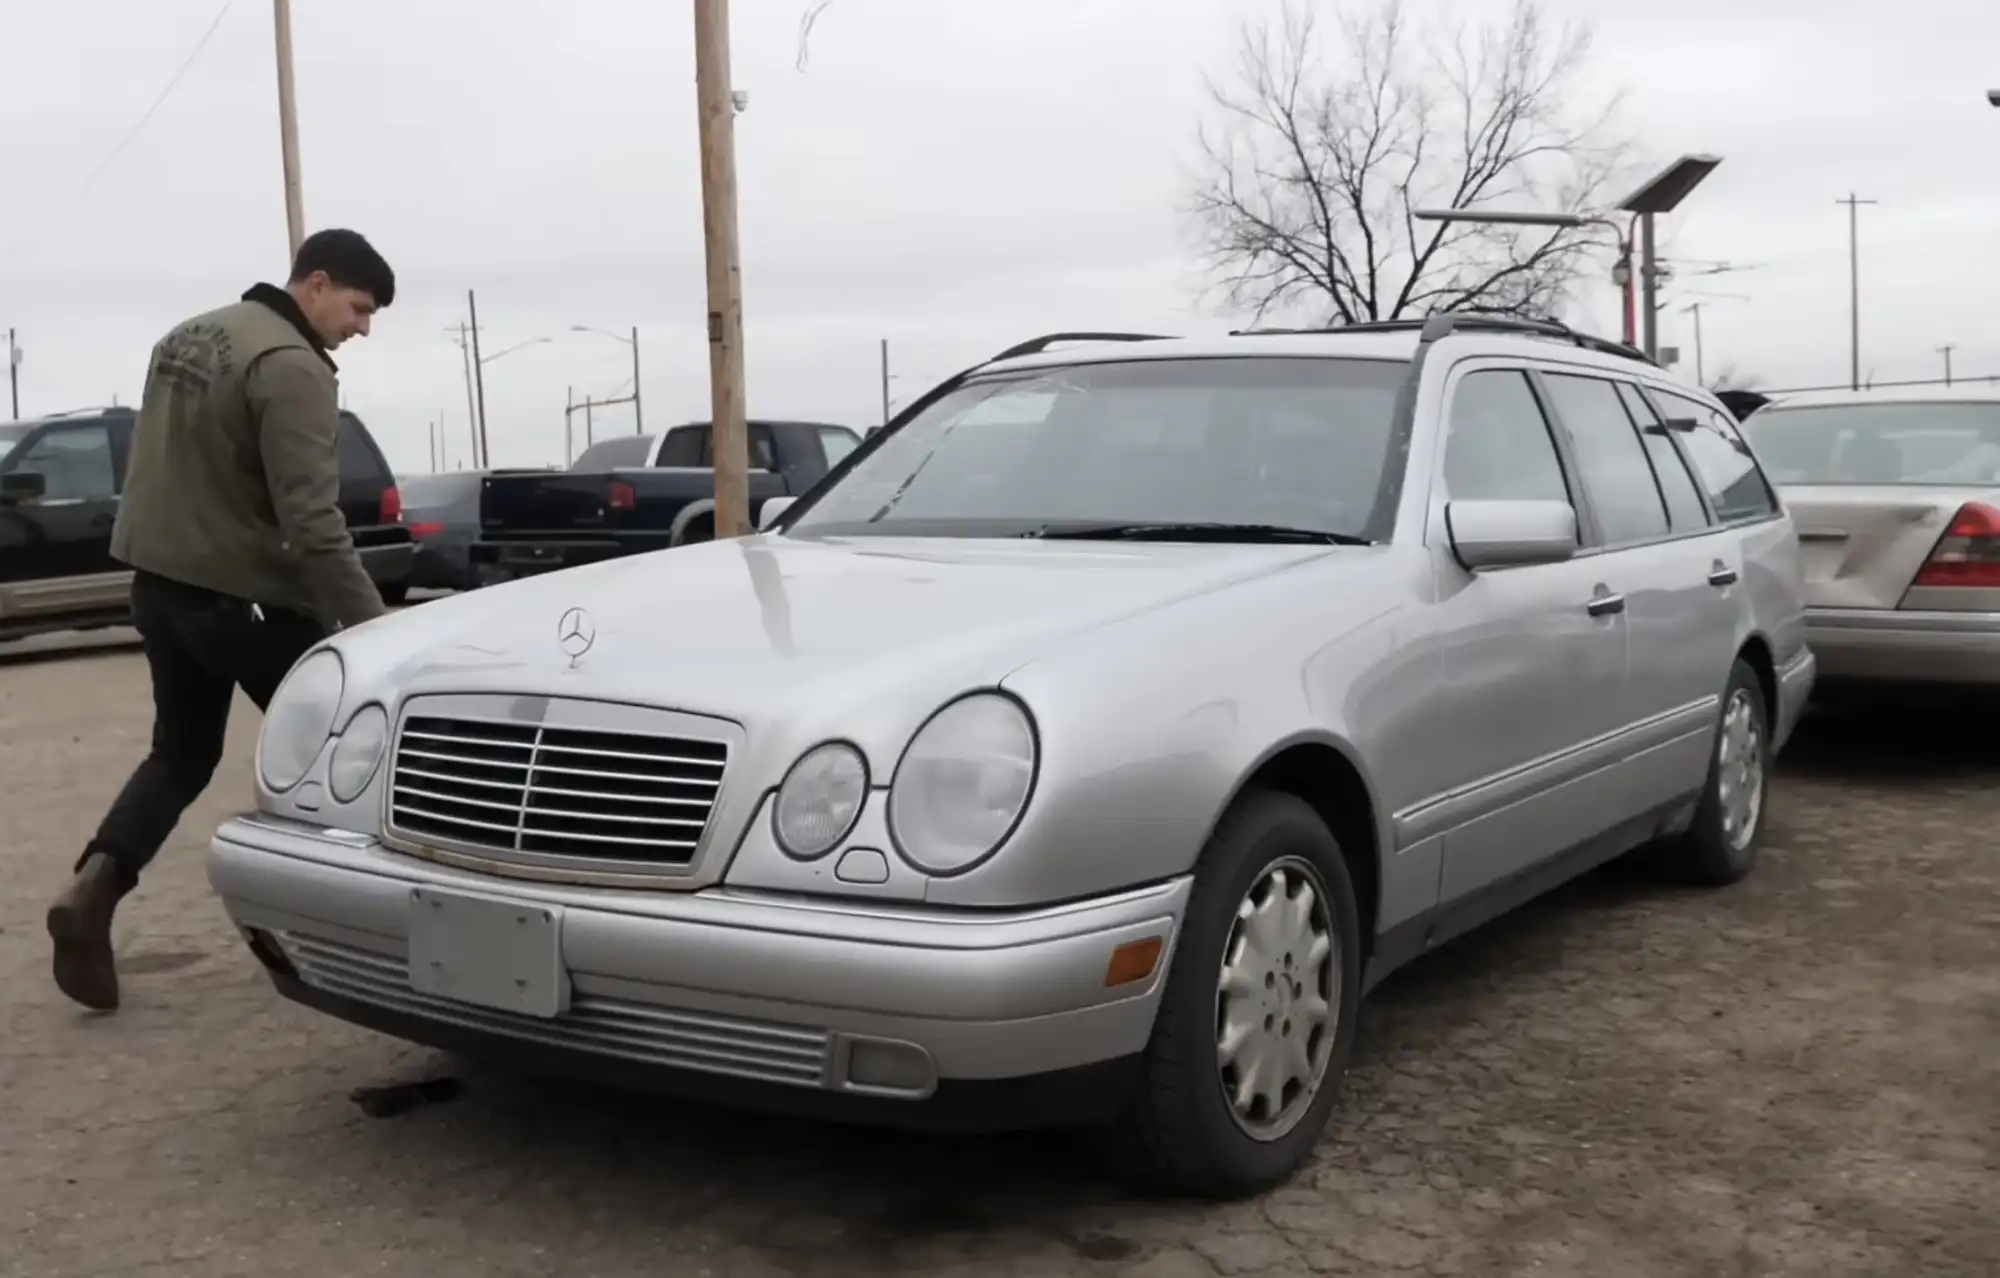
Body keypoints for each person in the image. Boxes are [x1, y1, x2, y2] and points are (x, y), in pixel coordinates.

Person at [46, 229, 397, 1013]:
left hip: (161, 589)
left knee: (180, 755)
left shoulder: (189, 335)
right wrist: (375, 629)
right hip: (245, 603)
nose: (363, 327)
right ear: (315, 283)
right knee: (356, 750)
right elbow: (312, 523)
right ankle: (375, 936)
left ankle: (93, 891)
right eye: (360, 307)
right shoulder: (293, 366)